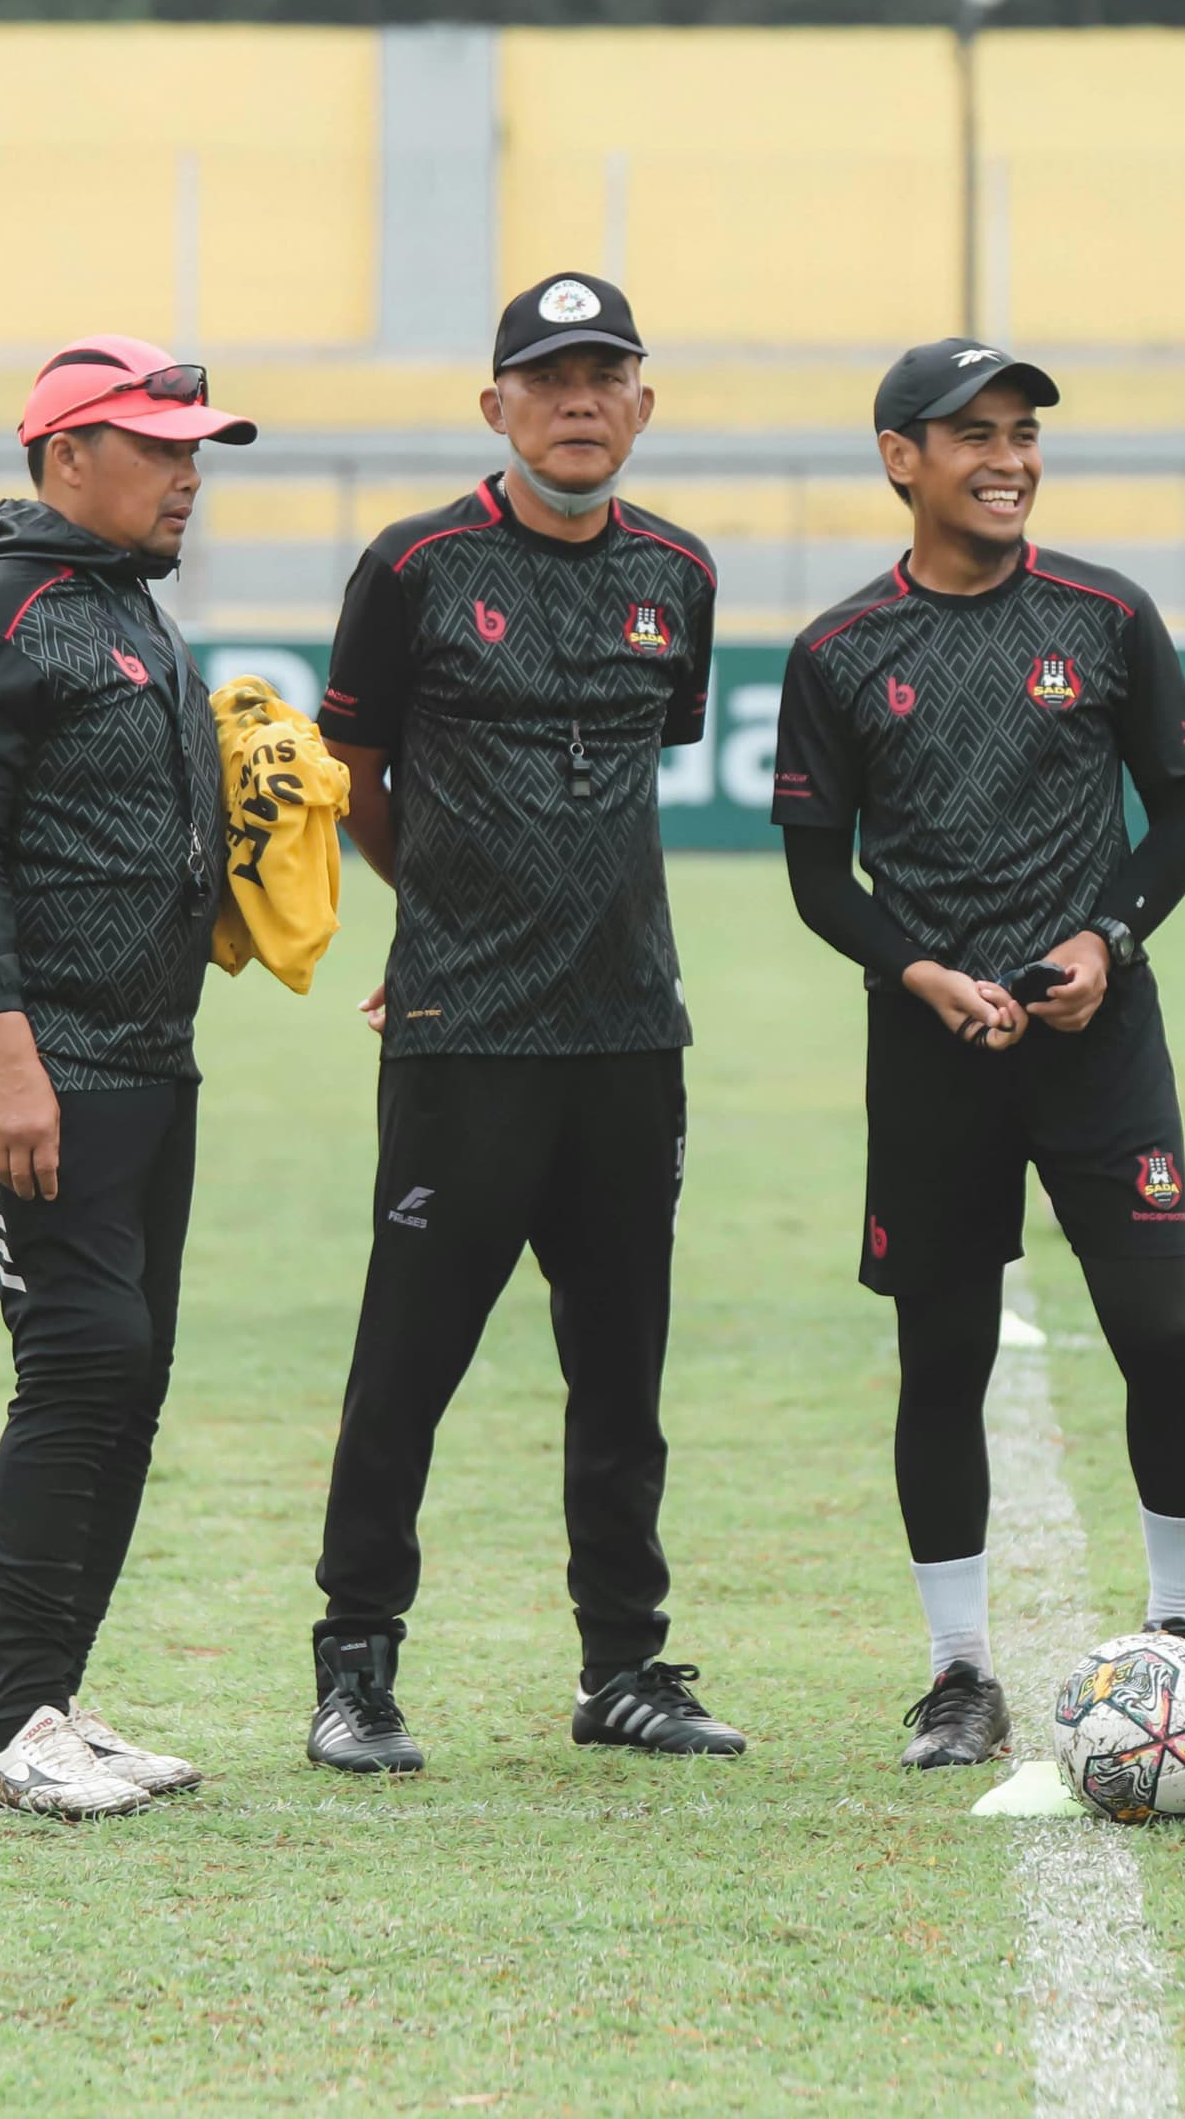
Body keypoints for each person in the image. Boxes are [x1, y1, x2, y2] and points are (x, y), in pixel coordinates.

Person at [301, 271, 742, 1775]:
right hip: (464, 1029)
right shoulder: (413, 566)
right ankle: (355, 1668)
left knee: (622, 1373)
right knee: (407, 1365)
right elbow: (350, 769)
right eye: (546, 378)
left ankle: (624, 1666)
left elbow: (641, 765)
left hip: (629, 1034)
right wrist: (431, 910)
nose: (576, 401)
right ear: (494, 407)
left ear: (641, 404)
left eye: (604, 374)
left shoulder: (677, 571)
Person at [771, 338, 1185, 1771]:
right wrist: (918, 974)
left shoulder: (1107, 616)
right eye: (973, 434)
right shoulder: (838, 654)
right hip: (932, 1058)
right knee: (941, 1363)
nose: (1009, 458)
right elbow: (816, 877)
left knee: (1162, 1338)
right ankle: (959, 1674)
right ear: (901, 457)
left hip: (1101, 1048)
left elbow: (1184, 825)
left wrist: (1107, 941)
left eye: (1023, 432)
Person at [0, 335, 258, 1817]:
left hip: (146, 1053)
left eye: (196, 451)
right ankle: (13, 1726)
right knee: (84, 1356)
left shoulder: (128, 608)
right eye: (157, 448)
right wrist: (6, 1058)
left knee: (134, 1375)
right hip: (28, 1050)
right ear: (65, 459)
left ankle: (54, 1703)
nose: (187, 476)